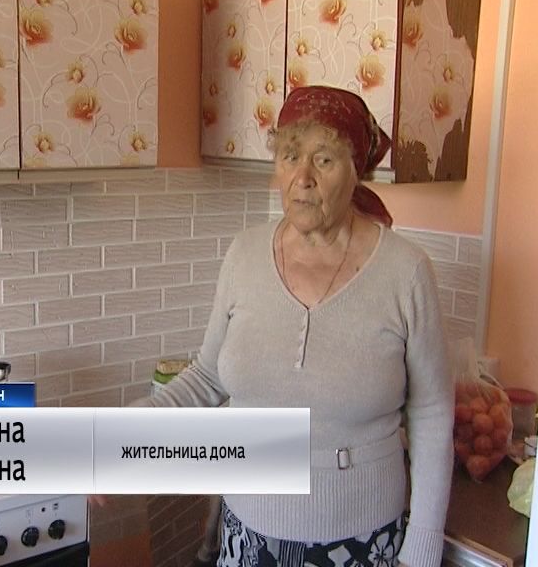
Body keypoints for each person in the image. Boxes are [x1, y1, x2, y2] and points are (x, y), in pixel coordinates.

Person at [133, 85, 454, 567]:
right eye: (289, 156)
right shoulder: (244, 254)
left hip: (362, 542)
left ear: (357, 171)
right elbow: (207, 376)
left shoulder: (406, 272)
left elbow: (431, 412)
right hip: (246, 537)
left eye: (323, 160)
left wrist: (423, 546)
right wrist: (121, 433)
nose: (301, 178)